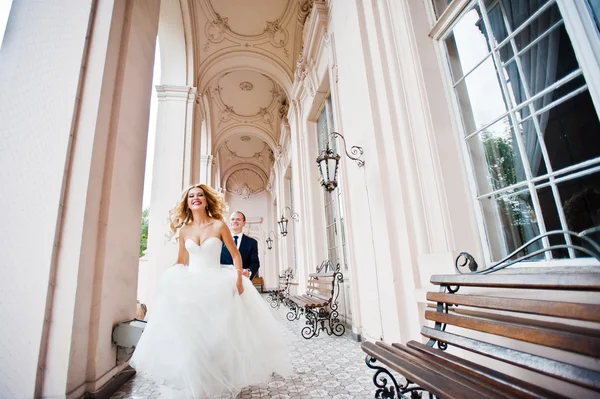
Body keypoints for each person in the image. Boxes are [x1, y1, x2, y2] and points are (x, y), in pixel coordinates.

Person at [130, 184, 291, 398]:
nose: (195, 198)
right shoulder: (184, 230)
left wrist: (239, 280)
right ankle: (198, 386)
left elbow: (235, 255)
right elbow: (181, 260)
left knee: (216, 338)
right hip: (192, 289)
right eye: (191, 196)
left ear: (206, 200)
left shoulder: (218, 225)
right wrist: (170, 276)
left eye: (200, 195)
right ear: (187, 203)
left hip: (217, 285)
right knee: (192, 338)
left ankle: (217, 379)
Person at [220, 211, 260, 281]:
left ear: (244, 223)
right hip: (224, 281)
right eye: (233, 219)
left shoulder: (252, 242)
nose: (235, 221)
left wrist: (249, 272)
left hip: (243, 280)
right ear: (229, 222)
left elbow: (255, 262)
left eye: (238, 219)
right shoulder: (221, 241)